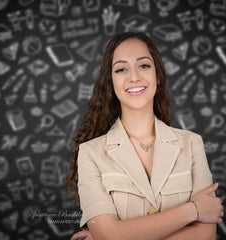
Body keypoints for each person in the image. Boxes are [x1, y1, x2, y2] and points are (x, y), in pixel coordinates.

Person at [67, 32, 224, 240]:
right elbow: (108, 235)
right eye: (121, 69)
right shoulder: (90, 153)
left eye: (144, 65)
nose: (134, 76)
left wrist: (118, 235)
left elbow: (205, 235)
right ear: (111, 82)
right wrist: (193, 210)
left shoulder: (192, 143)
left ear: (157, 75)